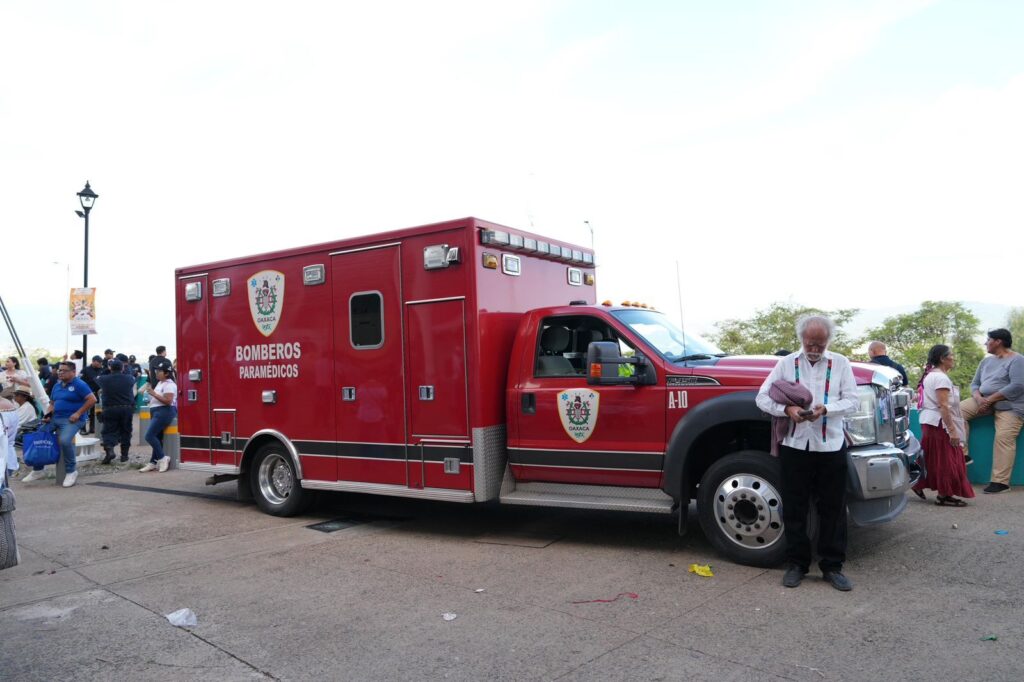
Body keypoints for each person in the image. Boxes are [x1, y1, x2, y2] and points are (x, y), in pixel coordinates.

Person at [756, 314, 860, 592]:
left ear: (828, 340)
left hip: (830, 446)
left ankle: (832, 566)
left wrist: (826, 409)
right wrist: (786, 410)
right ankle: (796, 564)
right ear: (801, 338)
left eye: (820, 344)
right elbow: (762, 398)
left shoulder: (841, 363)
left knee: (833, 509)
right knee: (794, 506)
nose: (814, 349)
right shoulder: (786, 363)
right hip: (795, 446)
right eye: (810, 343)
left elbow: (853, 401)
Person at [960, 328, 1024, 494]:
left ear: (998, 341)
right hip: (983, 401)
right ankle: (963, 454)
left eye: (988, 340)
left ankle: (1000, 483)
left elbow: (1017, 385)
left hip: (1010, 405)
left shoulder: (1017, 360)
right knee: (957, 411)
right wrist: (979, 398)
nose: (985, 343)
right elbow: (975, 384)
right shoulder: (986, 361)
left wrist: (989, 399)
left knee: (1003, 438)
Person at [912, 345, 974, 506]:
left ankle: (919, 483)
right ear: (942, 358)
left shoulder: (930, 375)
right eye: (951, 355)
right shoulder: (940, 378)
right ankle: (944, 495)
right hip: (939, 423)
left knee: (933, 457)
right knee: (948, 459)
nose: (953, 358)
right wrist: (952, 431)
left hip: (929, 421)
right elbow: (943, 406)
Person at [22, 361, 96, 488]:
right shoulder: (57, 385)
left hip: (72, 419)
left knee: (65, 440)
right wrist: (47, 415)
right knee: (39, 435)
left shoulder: (79, 384)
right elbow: (52, 403)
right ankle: (38, 470)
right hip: (55, 418)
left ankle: (71, 471)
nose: (60, 372)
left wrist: (78, 413)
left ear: (73, 372)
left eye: (64, 370)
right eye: (59, 370)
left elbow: (92, 399)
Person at [138, 359, 177, 472]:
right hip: (156, 411)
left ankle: (163, 458)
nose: (156, 373)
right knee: (157, 437)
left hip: (164, 411)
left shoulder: (170, 385)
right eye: (156, 370)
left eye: (159, 371)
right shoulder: (160, 383)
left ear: (166, 373)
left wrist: (154, 394)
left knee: (149, 436)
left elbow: (168, 401)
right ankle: (153, 462)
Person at [96, 359, 135, 464]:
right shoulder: (129, 378)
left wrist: (107, 370)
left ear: (110, 368)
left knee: (108, 430)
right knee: (126, 431)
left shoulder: (103, 379)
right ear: (122, 368)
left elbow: (98, 379)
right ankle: (124, 456)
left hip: (110, 408)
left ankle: (110, 450)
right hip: (126, 408)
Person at [79, 355, 104, 435]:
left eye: (101, 363)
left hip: (97, 393)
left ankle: (92, 428)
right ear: (93, 361)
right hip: (87, 394)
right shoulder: (85, 370)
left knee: (95, 412)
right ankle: (83, 429)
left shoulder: (102, 370)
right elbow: (80, 381)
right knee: (84, 411)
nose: (100, 364)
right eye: (98, 363)